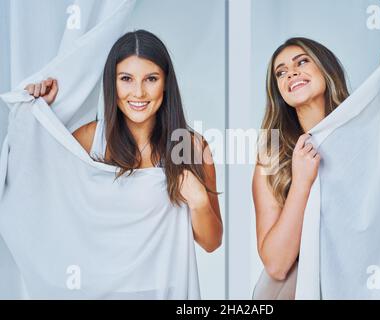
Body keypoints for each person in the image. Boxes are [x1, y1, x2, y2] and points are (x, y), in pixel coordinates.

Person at [23, 30, 222, 297]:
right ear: (112, 83)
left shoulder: (192, 146)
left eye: (151, 79)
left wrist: (199, 203)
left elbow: (212, 242)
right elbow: (38, 188)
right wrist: (37, 112)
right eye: (126, 79)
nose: (138, 92)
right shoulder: (88, 139)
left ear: (166, 83)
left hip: (165, 291)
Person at [253, 37, 350, 282]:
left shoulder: (363, 133)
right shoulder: (271, 159)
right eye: (281, 72)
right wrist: (301, 184)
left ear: (325, 68)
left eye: (302, 61)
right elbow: (276, 265)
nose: (291, 73)